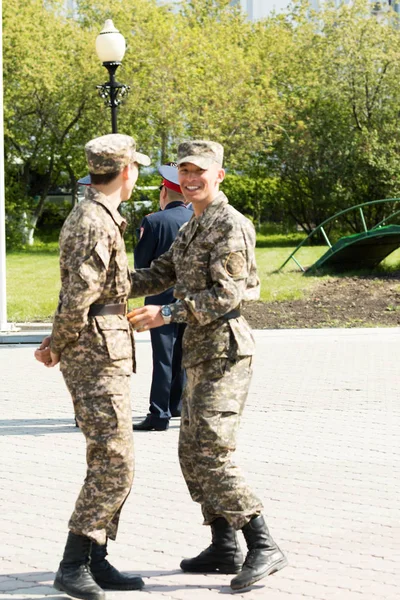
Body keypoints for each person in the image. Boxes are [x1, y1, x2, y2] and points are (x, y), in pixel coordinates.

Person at [125, 140, 288, 591]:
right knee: (191, 451)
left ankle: (262, 544)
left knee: (212, 451)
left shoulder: (229, 225)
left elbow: (227, 295)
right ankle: (224, 546)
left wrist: (167, 314)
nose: (191, 178)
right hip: (200, 349)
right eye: (185, 171)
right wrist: (109, 283)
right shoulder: (194, 225)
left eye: (200, 171)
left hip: (225, 349)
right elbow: (160, 272)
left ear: (219, 175)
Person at [34, 134, 149, 600]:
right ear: (126, 172)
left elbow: (109, 286)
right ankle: (73, 562)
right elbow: (78, 296)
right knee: (113, 462)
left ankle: (96, 557)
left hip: (103, 347)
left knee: (112, 457)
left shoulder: (100, 217)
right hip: (94, 353)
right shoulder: (92, 221)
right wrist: (56, 345)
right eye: (136, 167)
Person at [133, 164, 192, 431]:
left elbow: (142, 263)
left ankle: (158, 414)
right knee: (182, 354)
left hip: (160, 299)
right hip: (190, 300)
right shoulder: (198, 219)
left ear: (164, 192)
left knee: (163, 358)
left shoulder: (154, 221)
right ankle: (176, 403)